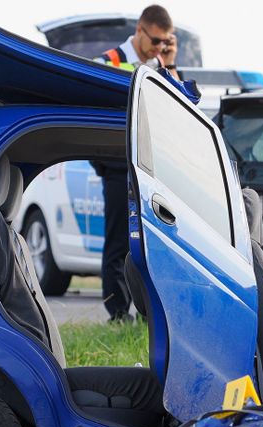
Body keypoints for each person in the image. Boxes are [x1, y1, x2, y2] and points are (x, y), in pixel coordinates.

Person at [93, 5, 179, 320]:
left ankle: (149, 312)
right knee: (119, 241)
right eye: (155, 41)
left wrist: (169, 64)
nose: (159, 47)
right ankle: (117, 313)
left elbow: (180, 103)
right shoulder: (107, 62)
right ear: (140, 31)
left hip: (151, 167)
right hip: (118, 164)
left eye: (165, 42)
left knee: (150, 241)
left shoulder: (159, 65)